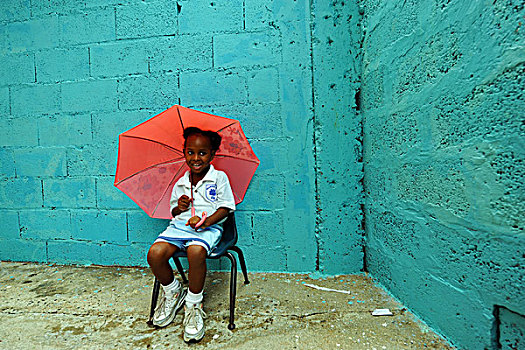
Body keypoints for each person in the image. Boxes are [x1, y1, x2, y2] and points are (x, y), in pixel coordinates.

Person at [147, 127, 235, 343]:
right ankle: (173, 292)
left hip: (209, 229)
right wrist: (180, 206)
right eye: (190, 152)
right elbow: (173, 212)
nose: (196, 158)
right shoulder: (181, 183)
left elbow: (226, 208)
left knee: (196, 251)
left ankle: (194, 303)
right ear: (184, 153)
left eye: (202, 153)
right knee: (155, 253)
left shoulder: (219, 178)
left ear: (212, 154)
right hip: (179, 228)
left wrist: (205, 221)